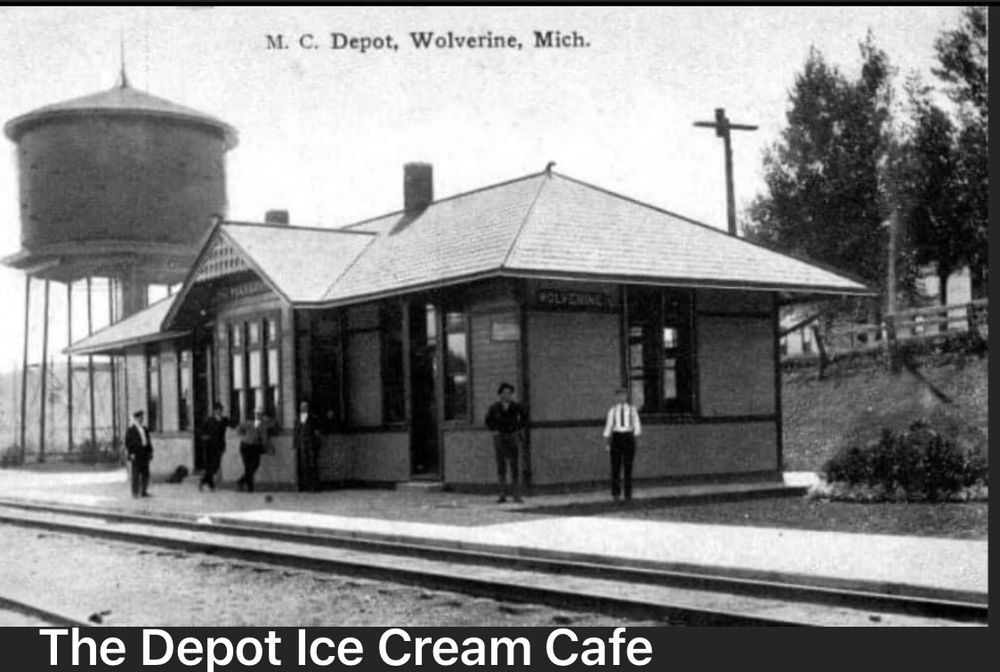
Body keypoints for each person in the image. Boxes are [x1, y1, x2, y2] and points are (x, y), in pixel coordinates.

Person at [484, 382, 528, 504]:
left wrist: (517, 428)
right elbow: (488, 420)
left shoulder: (516, 407)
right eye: (504, 393)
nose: (507, 395)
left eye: (509, 393)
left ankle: (516, 495)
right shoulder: (494, 408)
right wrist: (495, 430)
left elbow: (524, 418)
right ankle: (502, 494)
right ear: (500, 394)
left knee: (514, 465)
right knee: (501, 465)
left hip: (512, 435)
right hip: (500, 436)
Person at [603, 387, 642, 501]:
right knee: (615, 466)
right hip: (616, 437)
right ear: (616, 398)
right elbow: (609, 426)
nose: (621, 398)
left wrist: (636, 438)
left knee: (628, 466)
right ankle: (615, 493)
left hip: (628, 436)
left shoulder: (632, 410)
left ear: (626, 397)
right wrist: (607, 441)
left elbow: (637, 425)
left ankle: (628, 493)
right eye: (619, 396)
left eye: (623, 395)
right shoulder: (612, 411)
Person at [235, 407, 274, 493]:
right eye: (257, 414)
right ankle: (249, 487)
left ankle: (241, 482)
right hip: (245, 446)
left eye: (260, 414)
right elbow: (238, 428)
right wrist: (242, 435)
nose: (258, 415)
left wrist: (268, 448)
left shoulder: (264, 425)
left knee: (254, 465)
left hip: (255, 447)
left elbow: (265, 438)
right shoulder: (249, 422)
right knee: (248, 467)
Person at [199, 402, 230, 492]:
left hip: (220, 445)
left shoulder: (224, 420)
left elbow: (232, 426)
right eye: (217, 410)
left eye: (220, 410)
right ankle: (210, 483)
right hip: (210, 445)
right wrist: (204, 436)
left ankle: (204, 480)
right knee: (210, 465)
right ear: (214, 411)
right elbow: (201, 430)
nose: (219, 412)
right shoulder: (209, 420)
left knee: (216, 465)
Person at [124, 409, 153, 498]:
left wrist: (150, 452)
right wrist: (131, 453)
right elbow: (128, 443)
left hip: (144, 453)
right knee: (136, 473)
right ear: (136, 419)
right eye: (139, 418)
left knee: (146, 473)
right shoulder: (131, 430)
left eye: (142, 418)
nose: (141, 420)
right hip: (136, 454)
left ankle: (143, 491)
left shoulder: (144, 429)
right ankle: (135, 492)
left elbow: (148, 441)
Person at [295, 400, 321, 492]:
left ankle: (314, 486)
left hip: (311, 443)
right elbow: (296, 432)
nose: (303, 408)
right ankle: (304, 486)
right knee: (303, 465)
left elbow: (316, 432)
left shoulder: (312, 418)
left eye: (305, 407)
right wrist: (296, 444)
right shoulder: (297, 418)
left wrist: (317, 444)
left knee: (312, 464)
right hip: (302, 444)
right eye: (302, 407)